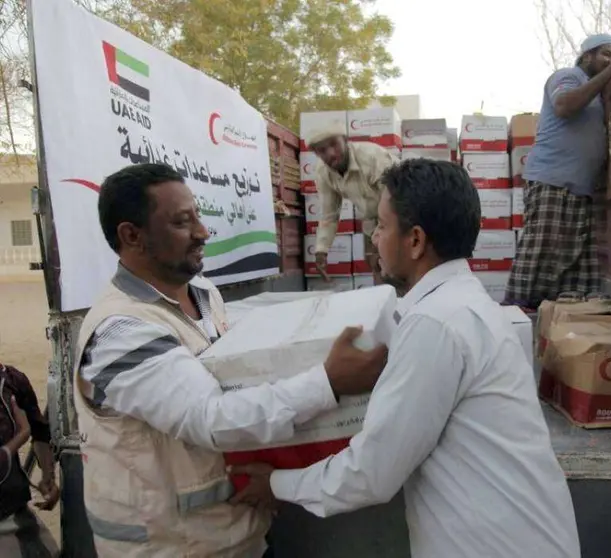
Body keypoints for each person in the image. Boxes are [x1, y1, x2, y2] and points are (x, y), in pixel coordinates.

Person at [232, 159, 581, 558]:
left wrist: (276, 483)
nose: (374, 237)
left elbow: (373, 473)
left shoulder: (436, 323)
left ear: (415, 241)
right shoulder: (461, 304)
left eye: (380, 226)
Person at [75, 163, 387, 557]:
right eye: (182, 222)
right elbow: (213, 419)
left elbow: (240, 380)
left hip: (238, 536)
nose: (203, 232)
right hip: (173, 548)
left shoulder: (203, 293)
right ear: (131, 235)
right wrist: (328, 383)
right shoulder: (119, 331)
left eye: (199, 216)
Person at [504, 33, 611, 309]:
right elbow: (564, 106)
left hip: (579, 189)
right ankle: (517, 316)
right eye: (605, 54)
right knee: (540, 255)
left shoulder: (595, 92)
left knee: (574, 265)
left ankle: (560, 323)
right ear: (587, 56)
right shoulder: (568, 77)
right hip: (552, 182)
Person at [309, 125, 397, 284]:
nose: (330, 154)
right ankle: (386, 302)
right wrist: (321, 250)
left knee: (397, 266)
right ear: (316, 154)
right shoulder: (323, 173)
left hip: (402, 214)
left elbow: (395, 202)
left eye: (334, 144)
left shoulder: (373, 157)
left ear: (345, 140)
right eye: (322, 150)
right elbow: (330, 215)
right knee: (376, 266)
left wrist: (383, 240)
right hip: (372, 220)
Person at [0, 363, 60, 558]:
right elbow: (29, 430)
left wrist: (47, 477)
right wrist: (20, 437)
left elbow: (39, 430)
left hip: (14, 512)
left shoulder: (12, 380)